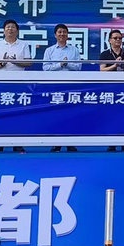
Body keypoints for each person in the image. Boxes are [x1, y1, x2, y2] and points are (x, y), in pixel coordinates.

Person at [0, 20, 32, 153]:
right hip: (0, 84)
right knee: (1, 113)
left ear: (17, 31)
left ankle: (18, 143)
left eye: (13, 27)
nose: (10, 29)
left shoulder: (23, 45)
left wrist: (15, 61)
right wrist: (2, 63)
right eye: (8, 27)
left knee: (18, 113)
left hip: (18, 84)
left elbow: (29, 63)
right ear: (3, 30)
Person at [43, 24, 82, 152]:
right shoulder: (49, 50)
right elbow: (45, 68)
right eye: (59, 32)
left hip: (71, 86)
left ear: (67, 34)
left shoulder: (74, 50)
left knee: (71, 114)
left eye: (64, 32)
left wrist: (67, 64)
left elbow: (78, 67)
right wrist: (60, 65)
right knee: (56, 115)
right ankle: (56, 143)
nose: (62, 34)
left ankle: (70, 142)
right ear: (55, 35)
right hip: (55, 86)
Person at [99, 29, 124, 152]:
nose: (118, 40)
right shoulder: (105, 54)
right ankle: (111, 142)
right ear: (110, 40)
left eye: (120, 38)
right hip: (110, 88)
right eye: (115, 38)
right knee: (111, 115)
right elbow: (102, 70)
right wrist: (114, 65)